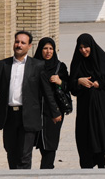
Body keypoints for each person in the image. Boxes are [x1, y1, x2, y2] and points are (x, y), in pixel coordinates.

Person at [0, 31, 61, 170]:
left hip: (28, 116)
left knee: (24, 155)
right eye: (17, 42)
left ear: (29, 46)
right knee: (11, 152)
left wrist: (55, 112)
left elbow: (46, 91)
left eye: (23, 43)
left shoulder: (37, 66)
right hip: (9, 116)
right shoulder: (2, 65)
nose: (19, 45)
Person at [69, 33, 105, 169]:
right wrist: (78, 81)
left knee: (100, 136)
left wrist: (99, 83)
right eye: (81, 48)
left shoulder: (103, 59)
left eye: (86, 47)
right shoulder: (77, 61)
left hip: (101, 108)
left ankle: (101, 165)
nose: (83, 50)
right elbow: (72, 87)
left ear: (92, 46)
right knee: (84, 138)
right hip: (85, 109)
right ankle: (87, 167)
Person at [33, 37, 69, 169]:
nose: (48, 52)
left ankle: (46, 169)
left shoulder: (60, 67)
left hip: (55, 111)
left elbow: (68, 87)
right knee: (41, 142)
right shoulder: (32, 66)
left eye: (51, 49)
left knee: (51, 143)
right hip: (36, 111)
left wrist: (60, 82)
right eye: (45, 48)